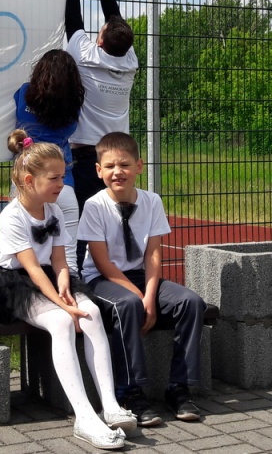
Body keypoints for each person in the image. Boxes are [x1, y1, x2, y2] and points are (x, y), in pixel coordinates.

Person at [0, 130, 135, 451]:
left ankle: (110, 404)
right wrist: (65, 307)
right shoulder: (11, 218)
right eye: (54, 178)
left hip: (50, 277)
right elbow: (32, 269)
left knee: (90, 312)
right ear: (29, 179)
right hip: (17, 284)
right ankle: (84, 416)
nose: (62, 184)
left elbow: (60, 262)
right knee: (63, 322)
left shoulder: (55, 211)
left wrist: (68, 291)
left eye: (63, 176)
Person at [77, 132, 207, 426]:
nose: (117, 172)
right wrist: (138, 297)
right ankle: (130, 392)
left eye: (124, 164)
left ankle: (179, 388)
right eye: (109, 166)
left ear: (139, 166)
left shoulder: (152, 202)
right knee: (127, 306)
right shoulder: (95, 206)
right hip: (103, 279)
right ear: (98, 171)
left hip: (139, 276)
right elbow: (102, 263)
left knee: (191, 303)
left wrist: (149, 295)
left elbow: (153, 256)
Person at [65, 0, 140, 270]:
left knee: (85, 219)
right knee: (116, 216)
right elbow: (116, 22)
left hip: (87, 155)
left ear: (99, 40)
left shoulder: (85, 55)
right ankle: (124, 268)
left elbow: (72, 17)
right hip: (116, 152)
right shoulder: (130, 61)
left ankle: (85, 274)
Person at [12, 49, 85, 272]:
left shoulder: (24, 93)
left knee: (21, 254)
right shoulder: (73, 107)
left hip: (28, 181)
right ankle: (72, 298)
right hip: (63, 184)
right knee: (68, 257)